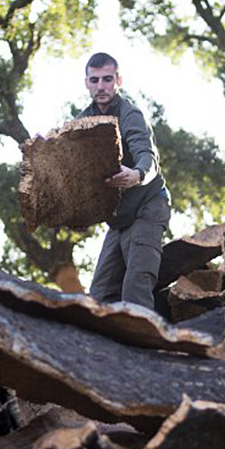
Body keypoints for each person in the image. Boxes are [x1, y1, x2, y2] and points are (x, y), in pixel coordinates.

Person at [79, 52, 172, 311]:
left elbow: (147, 156)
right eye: (94, 80)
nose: (101, 86)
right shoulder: (82, 123)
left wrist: (137, 174)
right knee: (98, 298)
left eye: (107, 79)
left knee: (135, 290)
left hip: (148, 208)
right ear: (86, 83)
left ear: (118, 80)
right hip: (118, 219)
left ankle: (146, 337)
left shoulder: (130, 114)